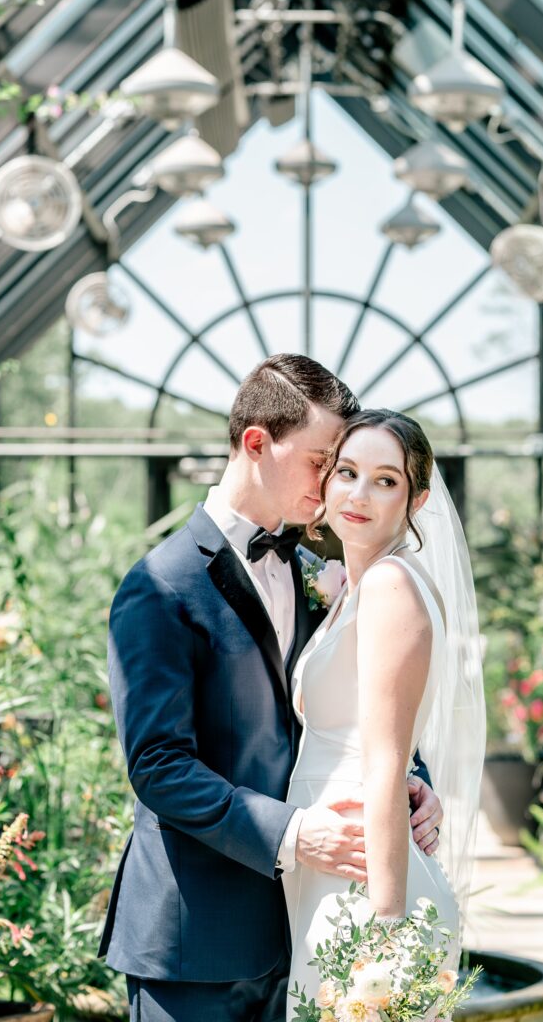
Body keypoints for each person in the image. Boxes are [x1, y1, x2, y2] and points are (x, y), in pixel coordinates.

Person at [98, 357, 444, 1022]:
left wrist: (409, 780)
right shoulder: (160, 586)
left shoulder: (323, 570)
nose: (335, 484)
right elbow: (158, 766)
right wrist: (293, 834)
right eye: (322, 460)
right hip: (193, 940)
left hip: (305, 925)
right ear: (256, 443)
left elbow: (353, 706)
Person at [283, 409, 485, 1017]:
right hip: (333, 857)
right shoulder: (359, 587)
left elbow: (385, 759)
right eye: (347, 472)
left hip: (362, 875)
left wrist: (385, 935)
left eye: (386, 480)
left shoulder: (392, 586)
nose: (359, 494)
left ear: (417, 499)